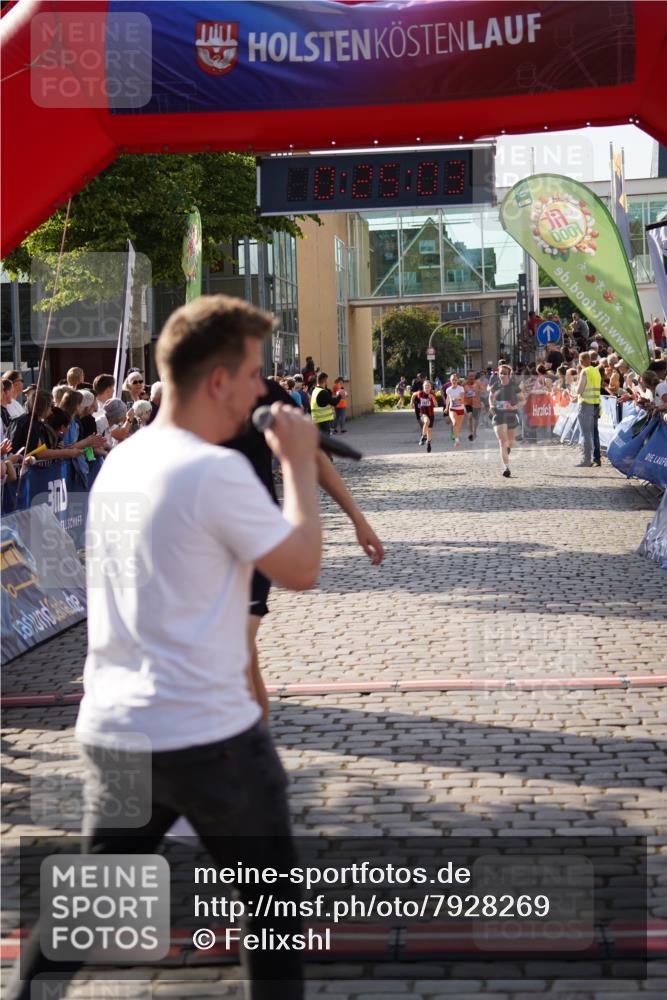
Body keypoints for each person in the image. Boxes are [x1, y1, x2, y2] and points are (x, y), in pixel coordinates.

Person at [7, 296, 322, 1000]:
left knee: (87, 911)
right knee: (273, 918)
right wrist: (297, 464)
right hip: (206, 737)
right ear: (216, 380)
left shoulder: (125, 458)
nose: (258, 391)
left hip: (118, 729)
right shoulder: (212, 471)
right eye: (250, 375)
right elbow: (300, 567)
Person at [224, 374, 384, 722]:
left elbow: (313, 454)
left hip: (255, 540)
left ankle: (250, 756)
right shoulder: (183, 403)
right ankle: (257, 754)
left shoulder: (262, 391)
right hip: (206, 546)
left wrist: (357, 517)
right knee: (241, 661)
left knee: (234, 651)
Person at [489, 364, 524, 478]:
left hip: (511, 416)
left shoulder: (514, 386)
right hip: (499, 415)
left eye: (505, 372)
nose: (502, 374)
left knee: (509, 443)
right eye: (500, 372)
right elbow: (490, 396)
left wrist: (514, 407)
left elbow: (522, 400)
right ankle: (506, 467)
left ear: (509, 374)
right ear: (498, 374)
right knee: (502, 442)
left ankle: (506, 451)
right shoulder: (495, 385)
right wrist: (491, 405)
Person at [574, 351, 602, 468]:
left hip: (585, 405)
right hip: (595, 405)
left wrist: (575, 389)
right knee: (594, 433)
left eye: (580, 361)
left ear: (582, 361)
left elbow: (580, 390)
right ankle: (597, 459)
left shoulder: (585, 371)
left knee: (585, 434)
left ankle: (586, 460)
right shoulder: (596, 371)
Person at [412, 378, 438, 453]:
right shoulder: (420, 393)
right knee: (426, 421)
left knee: (429, 430)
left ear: (431, 387)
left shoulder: (432, 394)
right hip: (423, 413)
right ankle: (423, 437)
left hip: (431, 414)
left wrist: (432, 398)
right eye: (425, 386)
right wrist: (411, 402)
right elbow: (414, 394)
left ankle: (428, 443)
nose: (427, 388)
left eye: (428, 386)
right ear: (423, 387)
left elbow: (436, 405)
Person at [310, 371, 338, 436]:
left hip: (317, 421)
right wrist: (339, 396)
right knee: (325, 442)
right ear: (325, 381)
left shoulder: (315, 390)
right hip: (323, 422)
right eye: (327, 381)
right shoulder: (322, 392)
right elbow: (333, 402)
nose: (327, 382)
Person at [444, 371, 466, 448]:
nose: (454, 381)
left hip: (460, 409)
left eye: (455, 380)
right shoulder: (448, 389)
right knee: (454, 423)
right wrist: (446, 407)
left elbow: (463, 400)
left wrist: (458, 401)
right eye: (453, 380)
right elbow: (447, 399)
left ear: (458, 380)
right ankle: (457, 441)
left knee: (458, 427)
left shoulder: (461, 388)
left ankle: (455, 434)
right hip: (452, 409)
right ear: (450, 381)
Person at [462, 371, 484, 441]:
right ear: (467, 376)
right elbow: (460, 392)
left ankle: (474, 431)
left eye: (473, 376)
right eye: (470, 376)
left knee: (476, 419)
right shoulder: (464, 384)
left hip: (476, 404)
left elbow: (483, 390)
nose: (472, 377)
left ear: (475, 376)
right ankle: (470, 433)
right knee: (470, 416)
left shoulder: (478, 383)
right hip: (467, 403)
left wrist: (477, 391)